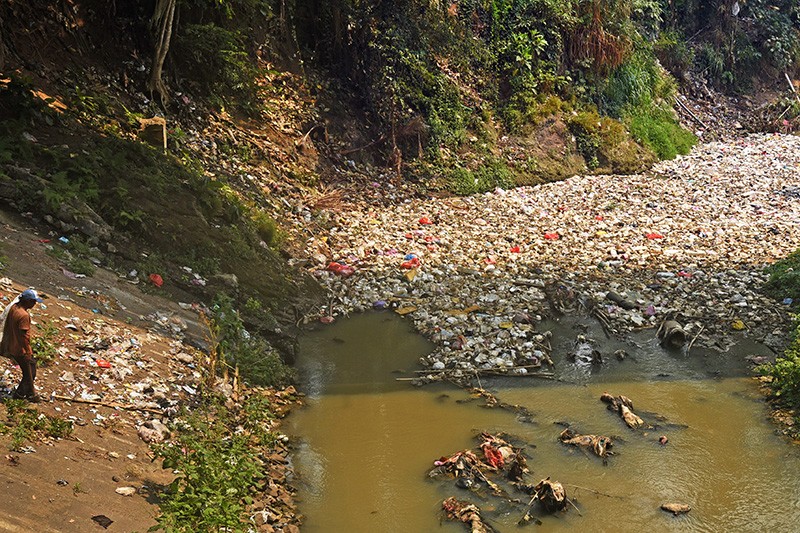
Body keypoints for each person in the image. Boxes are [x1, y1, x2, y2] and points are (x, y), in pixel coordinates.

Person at [0, 289, 44, 402]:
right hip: (19, 348)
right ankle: (21, 395)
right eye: (33, 302)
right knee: (30, 371)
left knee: (29, 369)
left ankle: (28, 393)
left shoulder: (14, 307)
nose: (35, 304)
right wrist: (27, 351)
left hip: (11, 343)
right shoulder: (24, 315)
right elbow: (24, 336)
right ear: (28, 301)